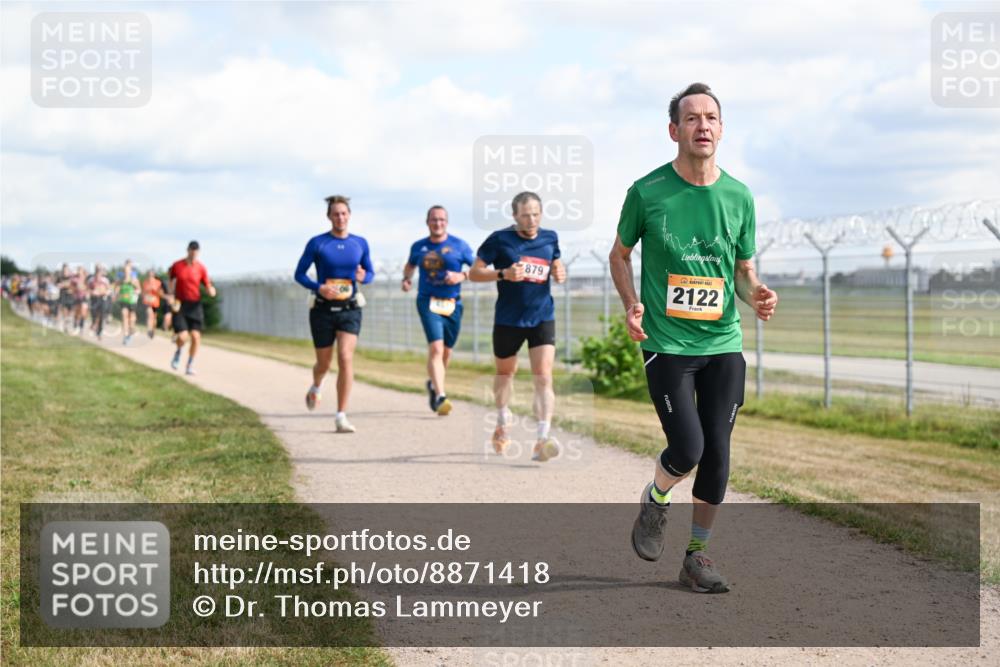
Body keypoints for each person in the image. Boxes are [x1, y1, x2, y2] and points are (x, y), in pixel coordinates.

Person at [609, 83, 778, 594]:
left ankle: (697, 557)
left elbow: (743, 271)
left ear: (721, 129)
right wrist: (630, 303)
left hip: (723, 342)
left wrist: (758, 295)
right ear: (674, 130)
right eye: (691, 118)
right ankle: (656, 500)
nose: (702, 125)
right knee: (687, 446)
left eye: (711, 117)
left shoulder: (739, 195)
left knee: (719, 453)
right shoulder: (648, 192)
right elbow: (618, 255)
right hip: (667, 343)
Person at [469, 191, 567, 462]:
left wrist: (560, 271)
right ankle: (503, 420)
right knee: (505, 374)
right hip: (508, 320)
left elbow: (555, 263)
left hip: (541, 316)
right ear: (515, 216)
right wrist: (503, 274)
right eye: (526, 215)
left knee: (543, 375)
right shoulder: (500, 240)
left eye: (536, 214)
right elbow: (474, 273)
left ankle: (542, 439)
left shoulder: (550, 237)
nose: (532, 219)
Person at [294, 195, 375, 434]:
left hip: (350, 309)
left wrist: (364, 277)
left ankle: (341, 415)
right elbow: (299, 274)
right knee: (324, 363)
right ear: (329, 217)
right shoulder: (318, 243)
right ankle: (317, 385)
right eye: (335, 214)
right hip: (322, 310)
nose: (340, 217)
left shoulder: (360, 243)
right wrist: (319, 287)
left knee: (345, 358)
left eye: (344, 213)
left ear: (349, 215)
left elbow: (369, 273)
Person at [402, 205, 476, 416]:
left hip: (453, 303)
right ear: (428, 222)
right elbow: (409, 266)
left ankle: (434, 384)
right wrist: (406, 279)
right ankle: (441, 396)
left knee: (446, 352)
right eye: (434, 220)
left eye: (442, 219)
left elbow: (478, 269)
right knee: (436, 348)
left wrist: (461, 276)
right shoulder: (419, 247)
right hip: (428, 301)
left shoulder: (459, 245)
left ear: (447, 222)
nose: (438, 223)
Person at [168, 241, 216, 375]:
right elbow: (171, 281)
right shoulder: (177, 266)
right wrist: (171, 295)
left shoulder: (201, 268)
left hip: (195, 305)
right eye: (192, 250)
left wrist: (211, 290)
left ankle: (189, 364)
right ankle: (178, 352)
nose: (194, 253)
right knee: (183, 337)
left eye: (196, 251)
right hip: (180, 304)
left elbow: (207, 284)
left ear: (198, 252)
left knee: (195, 337)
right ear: (188, 250)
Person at [116, 260, 141, 344]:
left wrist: (136, 291)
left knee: (131, 319)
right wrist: (116, 293)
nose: (126, 272)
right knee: (124, 314)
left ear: (130, 270)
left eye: (128, 270)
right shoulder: (121, 279)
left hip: (132, 301)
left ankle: (131, 331)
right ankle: (125, 335)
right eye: (125, 270)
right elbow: (116, 287)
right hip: (124, 300)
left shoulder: (134, 279)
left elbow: (139, 289)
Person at [88, 265, 112, 340]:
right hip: (94, 299)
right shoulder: (91, 280)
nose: (98, 272)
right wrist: (92, 292)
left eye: (100, 271)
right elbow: (87, 289)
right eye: (97, 270)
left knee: (101, 314)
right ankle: (94, 324)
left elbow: (109, 290)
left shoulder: (105, 280)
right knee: (94, 313)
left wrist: (105, 292)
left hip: (102, 299)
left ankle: (99, 332)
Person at [141, 269, 164, 339]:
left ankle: (153, 330)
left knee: (154, 318)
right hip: (147, 302)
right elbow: (143, 293)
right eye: (149, 274)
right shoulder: (145, 282)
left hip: (155, 302)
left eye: (151, 274)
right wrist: (145, 294)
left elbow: (161, 294)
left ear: (154, 275)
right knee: (149, 314)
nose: (150, 276)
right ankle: (149, 330)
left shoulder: (158, 283)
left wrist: (155, 290)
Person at [69, 266, 90, 334]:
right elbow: (71, 287)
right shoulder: (75, 279)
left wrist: (86, 290)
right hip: (77, 297)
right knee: (77, 313)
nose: (79, 272)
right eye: (78, 270)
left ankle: (81, 327)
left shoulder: (87, 279)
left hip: (84, 297)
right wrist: (75, 290)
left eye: (80, 270)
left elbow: (90, 287)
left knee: (83, 313)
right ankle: (75, 326)